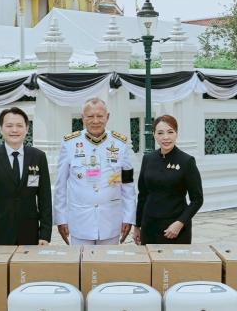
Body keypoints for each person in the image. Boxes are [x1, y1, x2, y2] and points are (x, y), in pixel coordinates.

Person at [54, 97, 135, 245]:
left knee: (109, 260)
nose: (95, 121)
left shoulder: (120, 144)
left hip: (110, 221)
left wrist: (128, 217)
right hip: (80, 221)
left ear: (107, 117)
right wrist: (61, 218)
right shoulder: (70, 144)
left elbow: (128, 184)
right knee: (81, 260)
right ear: (83, 118)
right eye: (90, 116)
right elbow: (60, 185)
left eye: (100, 116)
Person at [0, 107, 52, 245]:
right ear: (1, 128)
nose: (14, 130)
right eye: (9, 126)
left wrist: (45, 235)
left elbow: (44, 198)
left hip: (30, 233)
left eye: (19, 126)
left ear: (27, 129)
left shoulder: (38, 157)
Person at [133, 115, 204, 244]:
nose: (165, 137)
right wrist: (137, 225)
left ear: (176, 133)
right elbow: (142, 195)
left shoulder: (187, 161)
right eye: (160, 133)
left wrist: (180, 222)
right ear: (154, 135)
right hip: (149, 226)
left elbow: (197, 199)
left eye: (170, 132)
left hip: (175, 229)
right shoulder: (148, 159)